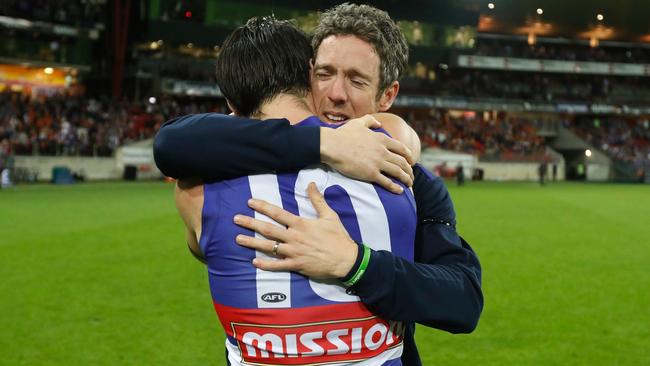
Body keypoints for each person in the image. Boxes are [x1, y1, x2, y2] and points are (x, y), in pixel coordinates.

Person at [154, 4, 483, 365]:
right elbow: (171, 143)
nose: (335, 93)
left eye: (357, 80)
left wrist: (355, 263)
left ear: (386, 97)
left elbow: (462, 302)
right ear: (305, 74)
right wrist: (325, 144)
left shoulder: (406, 176)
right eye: (325, 74)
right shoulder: (219, 156)